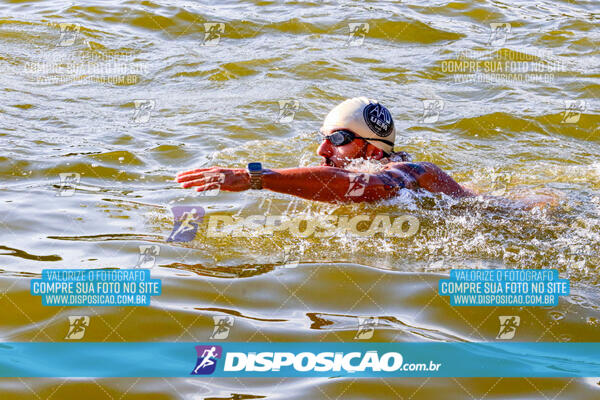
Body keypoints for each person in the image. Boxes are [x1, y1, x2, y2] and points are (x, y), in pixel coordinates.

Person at [176, 97, 475, 203]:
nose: (322, 149)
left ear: (372, 153)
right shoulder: (356, 165)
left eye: (339, 139)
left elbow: (369, 186)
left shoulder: (415, 172)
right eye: (322, 137)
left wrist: (256, 178)